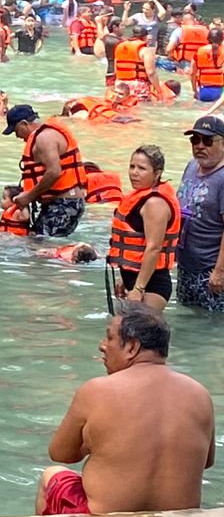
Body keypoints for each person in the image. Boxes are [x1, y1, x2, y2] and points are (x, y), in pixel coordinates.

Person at [37, 308, 213, 515]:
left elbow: (60, 454)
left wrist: (97, 441)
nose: (102, 345)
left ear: (132, 347)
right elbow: (207, 462)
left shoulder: (96, 390)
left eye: (109, 338)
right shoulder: (200, 394)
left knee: (52, 475)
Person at [108, 146, 180, 312]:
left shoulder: (155, 203)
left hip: (151, 285)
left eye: (141, 168)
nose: (134, 172)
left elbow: (153, 248)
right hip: (134, 281)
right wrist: (123, 276)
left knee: (140, 335)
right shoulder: (139, 197)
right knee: (123, 333)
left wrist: (139, 288)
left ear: (157, 173)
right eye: (132, 166)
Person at [4, 105, 87, 236]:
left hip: (64, 204)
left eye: (16, 130)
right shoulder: (46, 134)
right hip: (63, 203)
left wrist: (28, 197)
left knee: (41, 249)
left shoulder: (44, 139)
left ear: (24, 124)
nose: (17, 136)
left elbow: (54, 172)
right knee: (36, 242)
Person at [176, 115, 224, 312]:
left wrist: (219, 272)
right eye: (195, 140)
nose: (200, 146)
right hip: (186, 267)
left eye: (208, 141)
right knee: (187, 324)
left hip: (211, 271)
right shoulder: (191, 167)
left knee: (212, 328)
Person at [194, 29, 224, 103]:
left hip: (203, 90)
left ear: (208, 38)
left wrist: (195, 90)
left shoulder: (199, 51)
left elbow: (192, 73)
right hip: (220, 90)